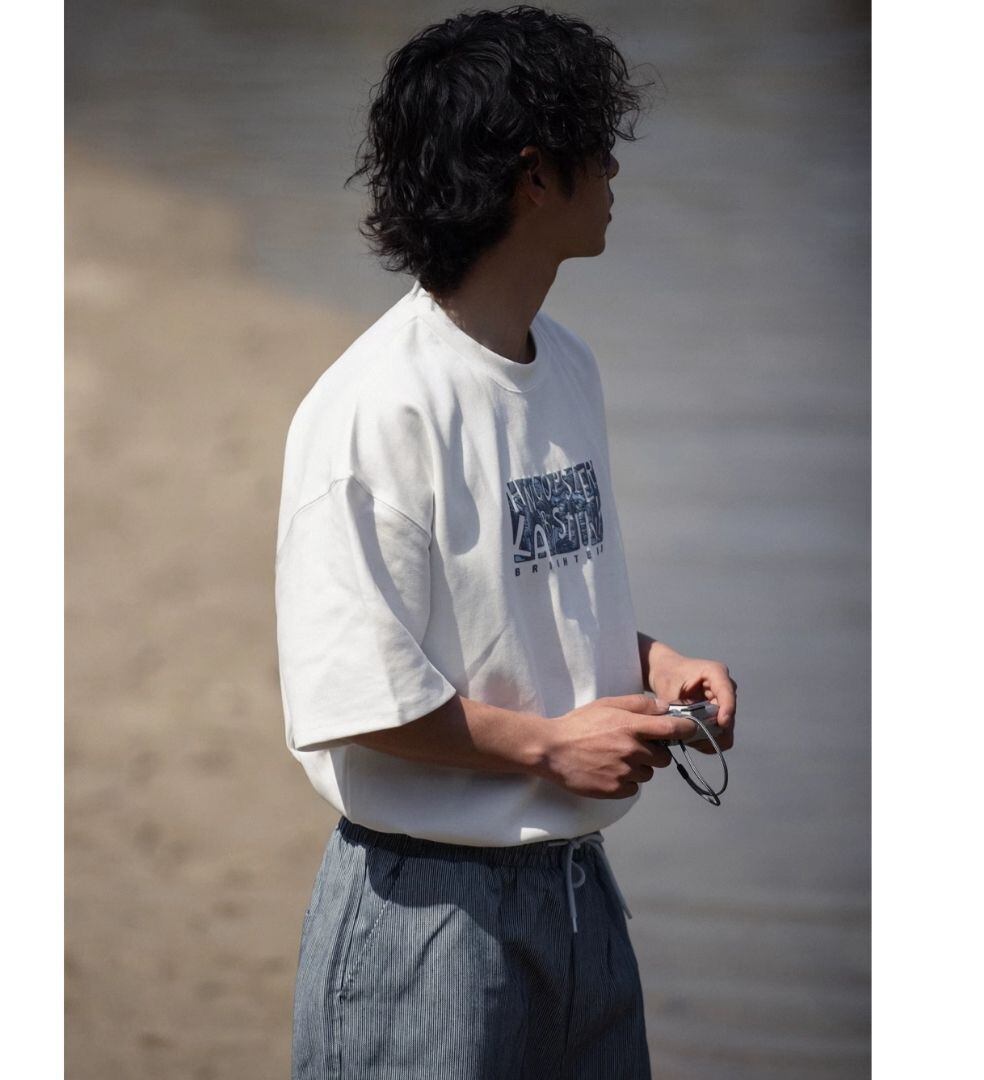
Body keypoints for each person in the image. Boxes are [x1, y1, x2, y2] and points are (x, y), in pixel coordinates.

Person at [273, 6, 737, 1077]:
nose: (613, 166)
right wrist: (549, 748)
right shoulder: (376, 407)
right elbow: (352, 693)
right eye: (596, 142)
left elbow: (523, 602)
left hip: (579, 901)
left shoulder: (567, 365)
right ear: (534, 174)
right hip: (427, 917)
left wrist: (654, 663)